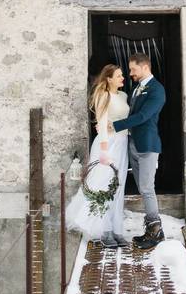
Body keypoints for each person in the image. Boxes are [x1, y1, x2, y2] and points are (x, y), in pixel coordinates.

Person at [64, 64, 131, 248]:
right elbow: (101, 122)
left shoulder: (124, 96)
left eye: (122, 75)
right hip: (107, 144)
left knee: (119, 187)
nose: (122, 77)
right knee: (104, 187)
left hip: (122, 143)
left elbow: (126, 121)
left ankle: (117, 230)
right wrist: (103, 151)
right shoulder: (103, 95)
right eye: (118, 75)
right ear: (109, 78)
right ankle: (105, 230)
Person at [110, 53, 166, 250]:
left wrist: (115, 126)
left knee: (147, 188)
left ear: (144, 67)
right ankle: (151, 229)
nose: (130, 73)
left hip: (148, 146)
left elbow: (143, 116)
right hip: (133, 144)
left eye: (133, 69)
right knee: (143, 188)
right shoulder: (136, 88)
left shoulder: (157, 90)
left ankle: (156, 231)